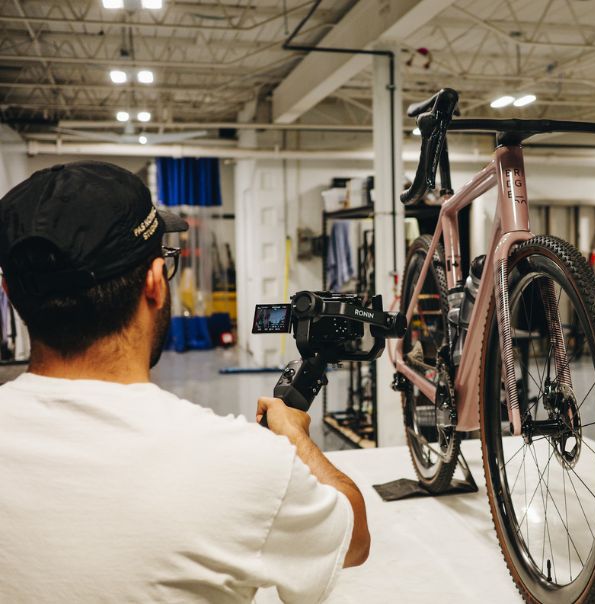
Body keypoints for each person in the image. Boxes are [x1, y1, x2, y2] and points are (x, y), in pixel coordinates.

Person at [0, 161, 369, 603]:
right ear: (155, 284)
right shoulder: (244, 462)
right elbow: (353, 537)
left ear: (10, 291)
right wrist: (293, 437)